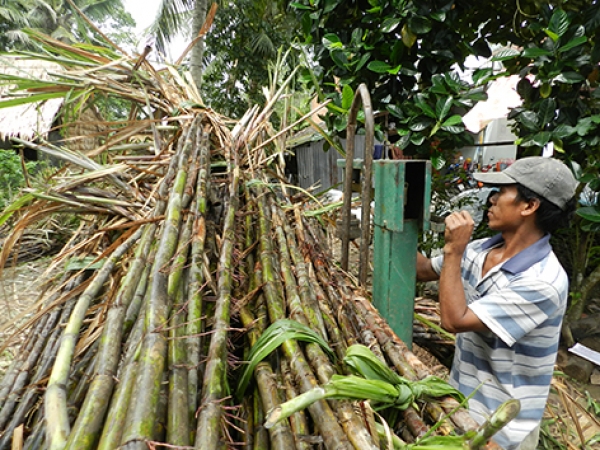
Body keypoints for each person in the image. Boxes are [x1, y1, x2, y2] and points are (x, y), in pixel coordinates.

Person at [416, 156, 577, 450]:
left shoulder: (543, 281)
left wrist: (453, 250)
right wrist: (387, 220)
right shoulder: (479, 250)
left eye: (502, 192)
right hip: (460, 407)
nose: (491, 199)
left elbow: (454, 321)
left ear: (529, 206)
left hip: (504, 430)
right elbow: (424, 269)